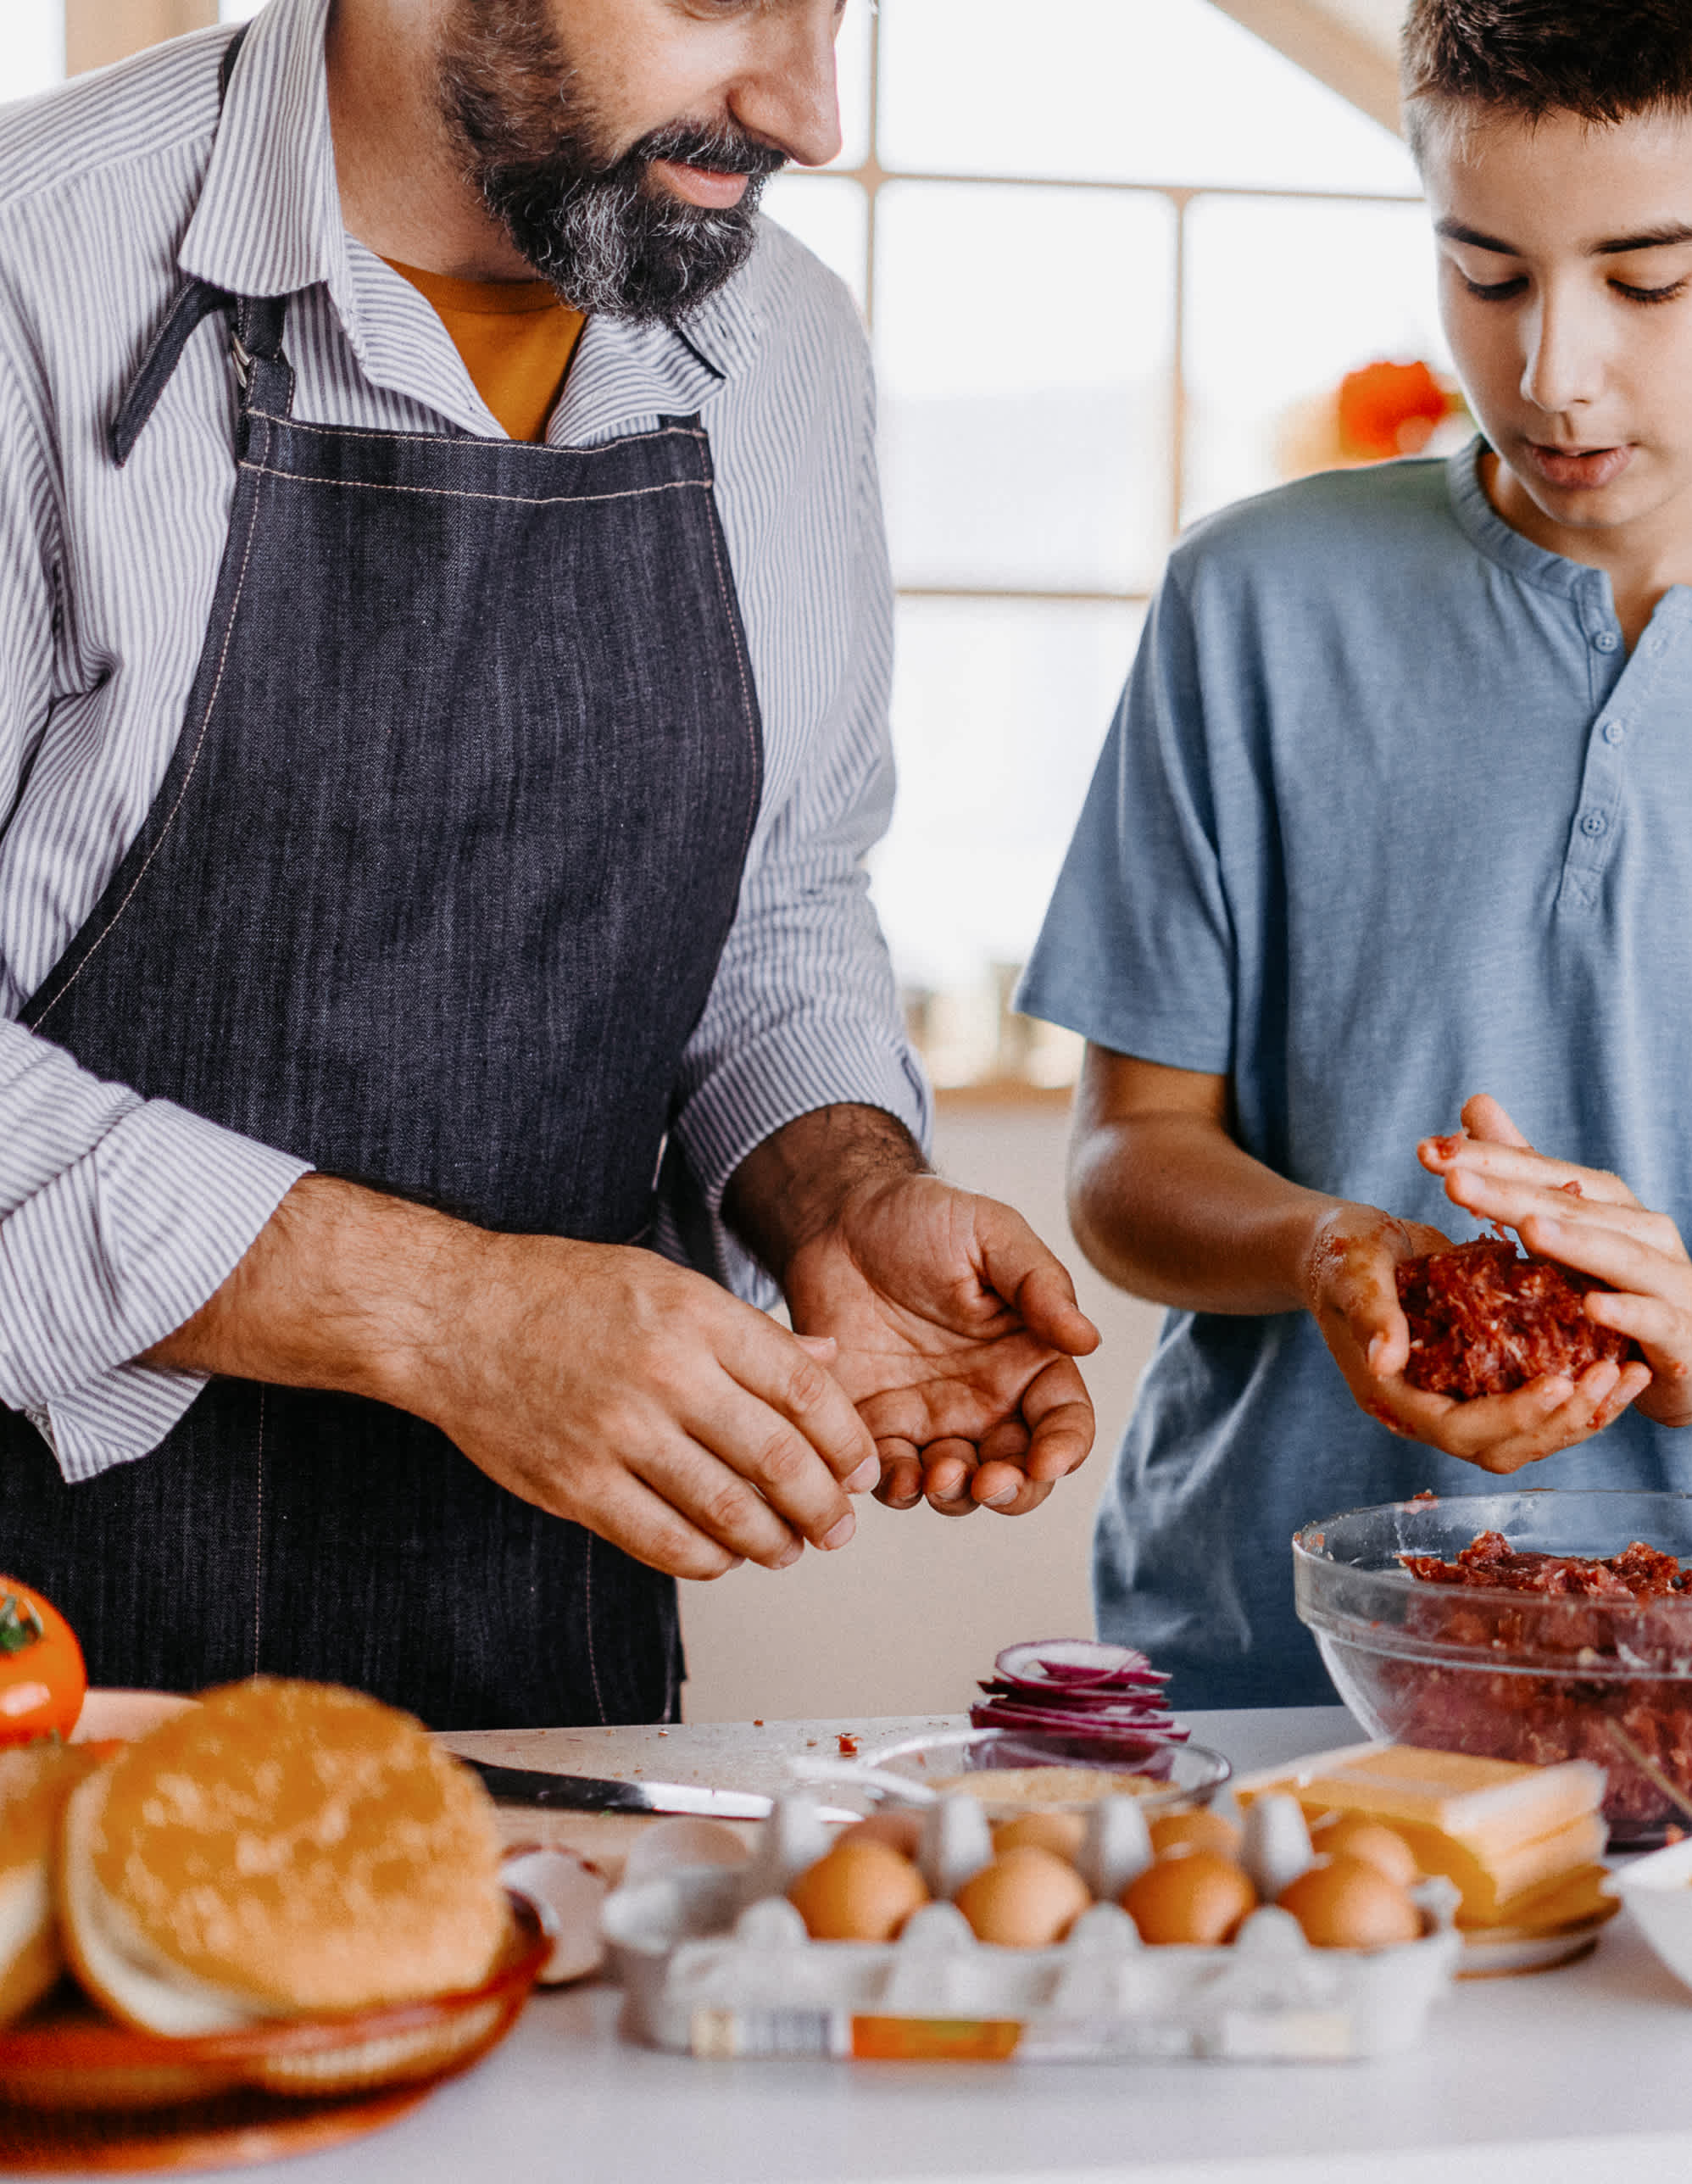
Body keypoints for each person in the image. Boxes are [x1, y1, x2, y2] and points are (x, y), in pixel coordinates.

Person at [0, 0, 1099, 1730]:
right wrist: (450, 1317)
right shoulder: (27, 279)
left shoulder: (785, 339)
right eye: (727, 2)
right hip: (46, 1640)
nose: (811, 113)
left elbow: (781, 902)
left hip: (543, 1652)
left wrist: (838, 1191)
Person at [1023, 0, 1692, 1708]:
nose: (1555, 369)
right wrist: (1333, 1248)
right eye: (1488, 272)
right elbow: (1128, 1158)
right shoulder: (1249, 606)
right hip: (1258, 1673)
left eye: (1645, 278)